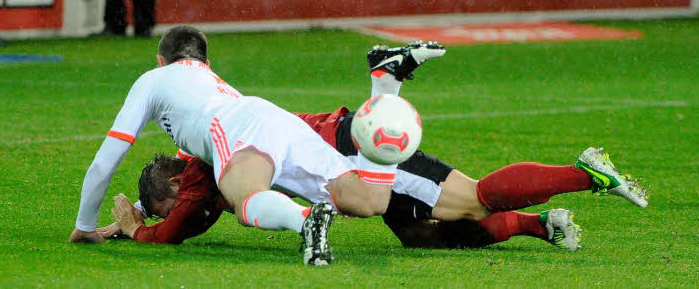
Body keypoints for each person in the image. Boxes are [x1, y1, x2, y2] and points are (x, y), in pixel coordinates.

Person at [93, 42, 648, 250]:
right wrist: (141, 209)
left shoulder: (205, 158)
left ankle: (584, 173)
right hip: (329, 137)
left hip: (346, 147)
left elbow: (175, 225)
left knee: (475, 199)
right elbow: (175, 210)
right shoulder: (214, 113)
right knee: (414, 235)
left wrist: (134, 224)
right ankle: (541, 223)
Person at [69, 26, 437, 266]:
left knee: (246, 202)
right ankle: (385, 85)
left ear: (161, 61)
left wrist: (86, 224)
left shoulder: (153, 80)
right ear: (205, 62)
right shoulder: (212, 82)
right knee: (370, 200)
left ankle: (305, 221)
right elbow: (186, 170)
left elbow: (108, 158)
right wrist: (138, 212)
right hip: (273, 117)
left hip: (234, 128)